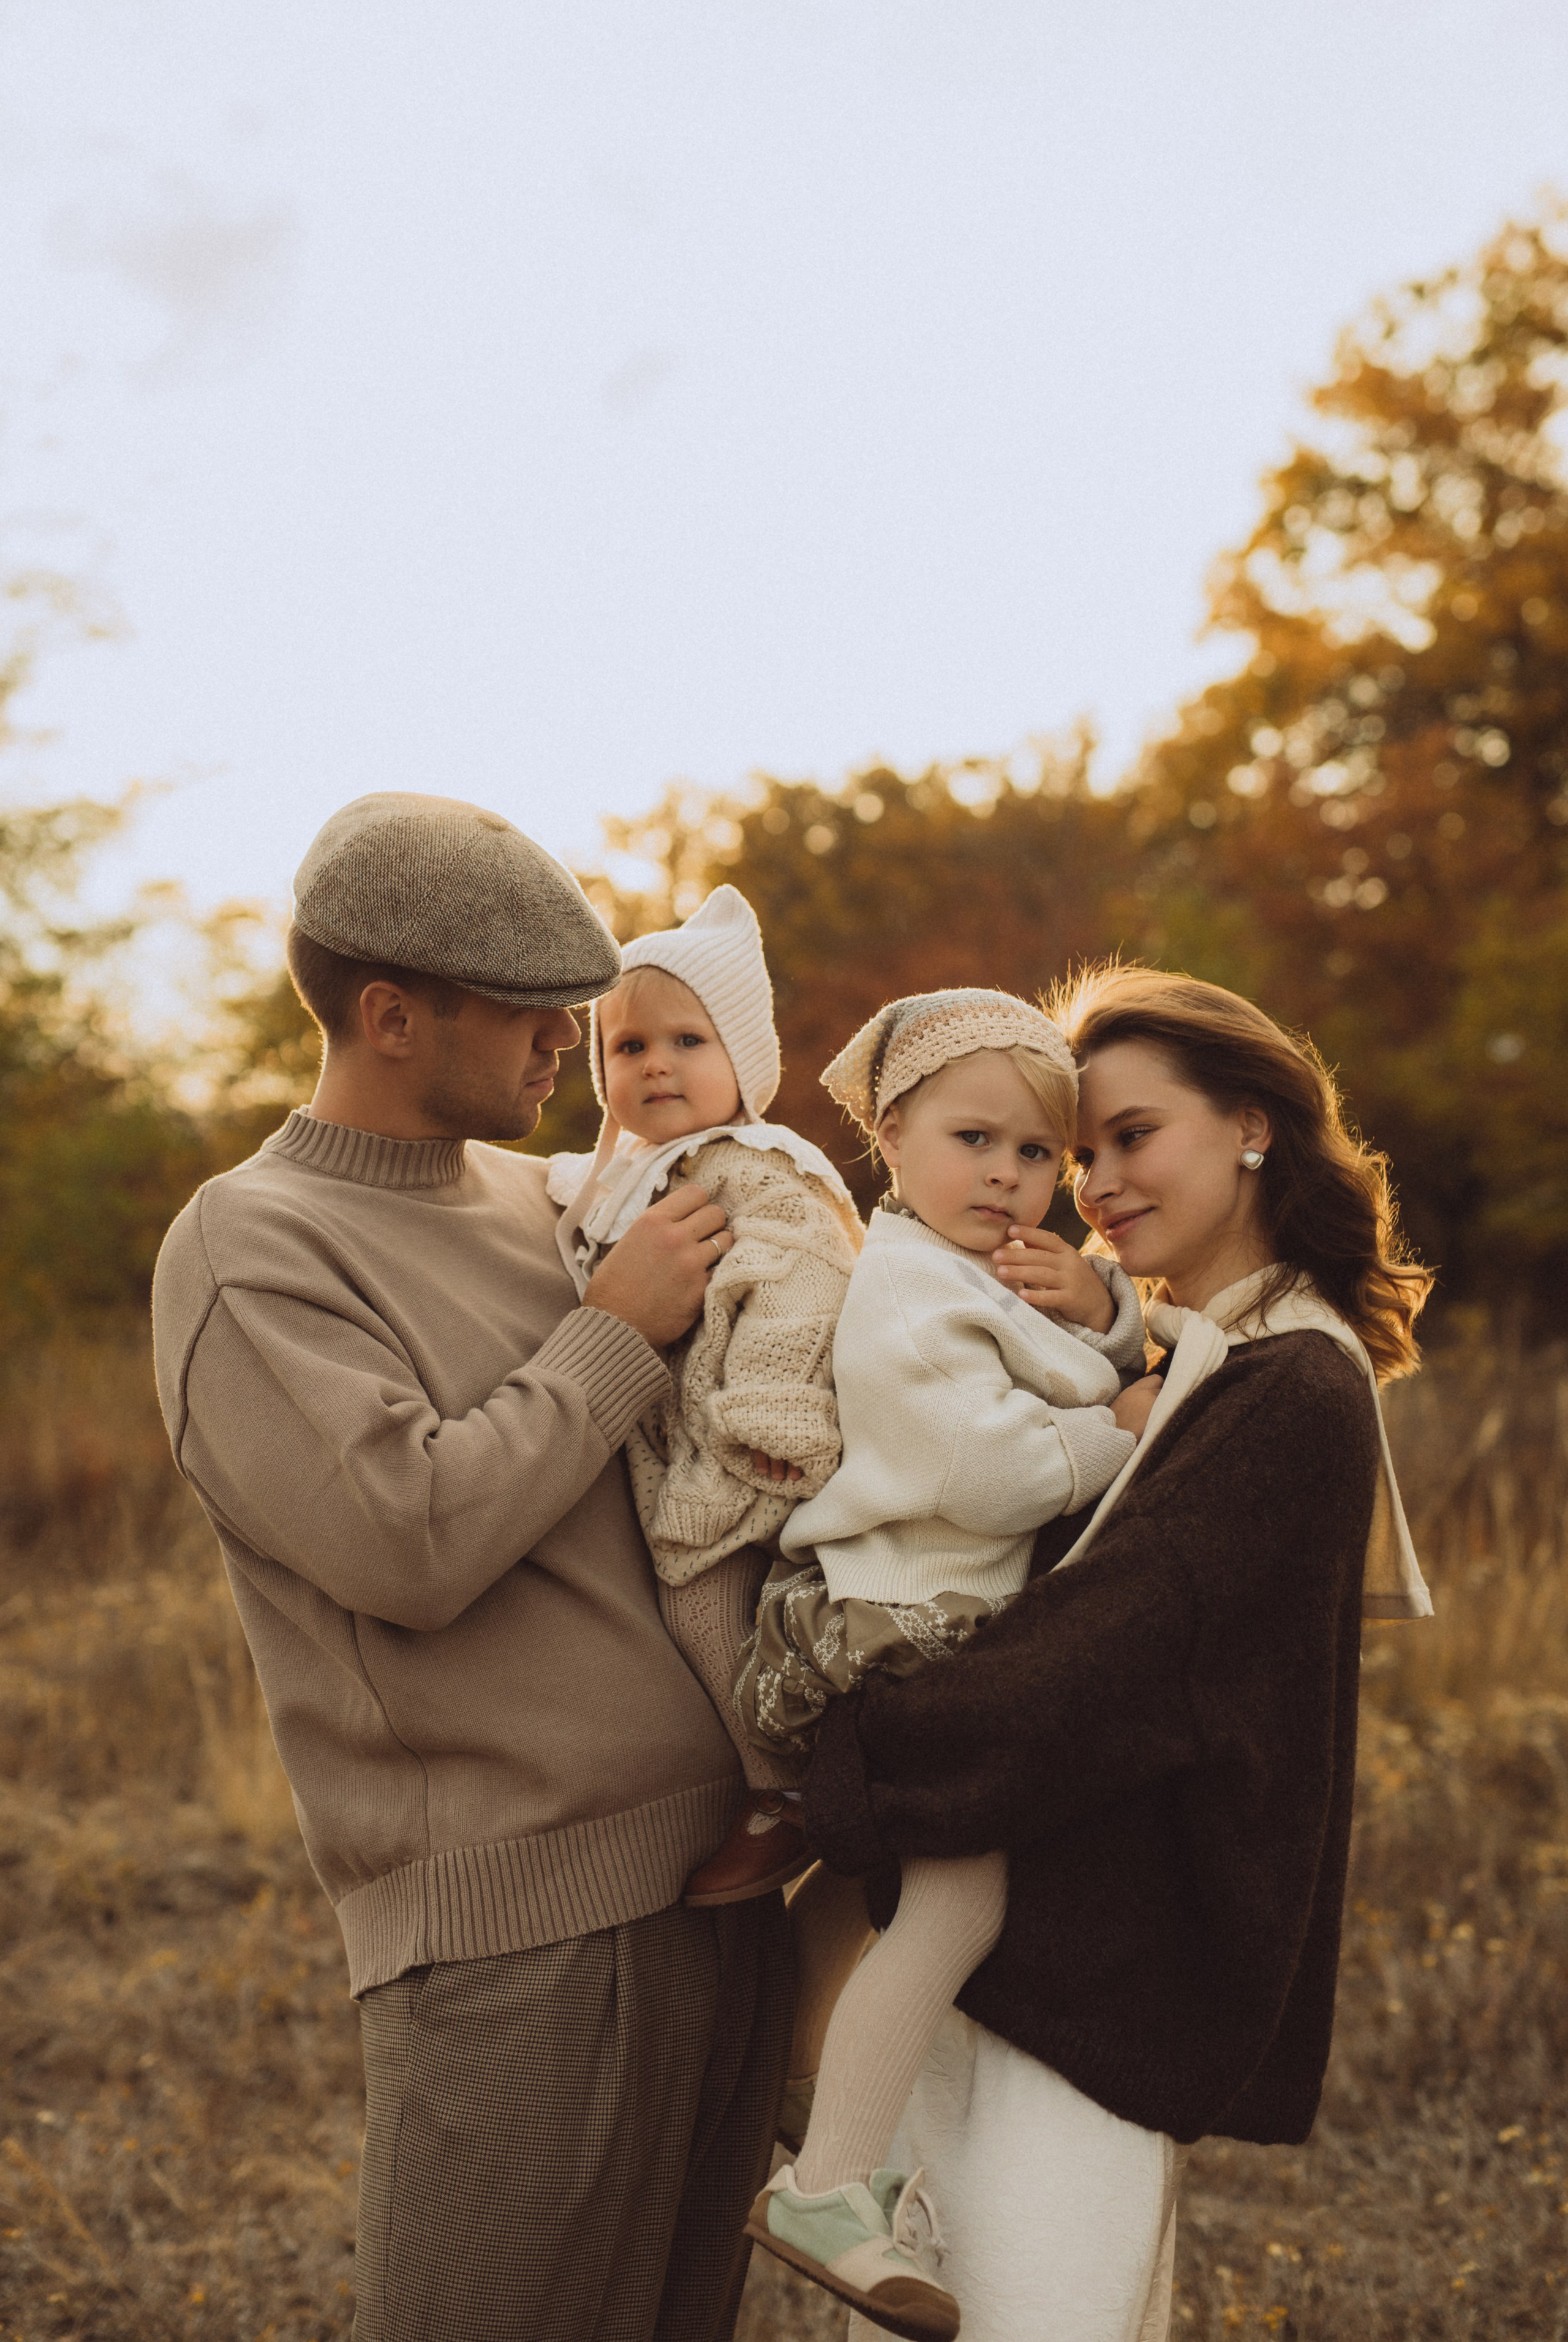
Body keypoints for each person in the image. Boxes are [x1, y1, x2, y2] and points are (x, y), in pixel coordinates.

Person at [150, 793, 790, 2342]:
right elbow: (406, 1541)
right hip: (516, 1939)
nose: (573, 1046)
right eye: (530, 1015)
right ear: (387, 1014)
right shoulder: (252, 1247)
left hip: (729, 1895)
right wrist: (611, 1333)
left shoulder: (554, 1198)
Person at [799, 965, 1433, 2342]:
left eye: (1125, 1136)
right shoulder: (1189, 1354)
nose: (1088, 1183)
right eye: (1072, 1153)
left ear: (1252, 1125)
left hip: (1092, 1987)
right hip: (999, 1943)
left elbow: (1085, 1675)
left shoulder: (1288, 1388)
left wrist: (818, 1771)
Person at [736, 990, 1149, 2338]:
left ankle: (789, 2074)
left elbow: (1058, 1362)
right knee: (958, 1908)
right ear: (891, 1135)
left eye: (1037, 1155)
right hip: (917, 1634)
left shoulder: (967, 1272)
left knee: (867, 1894)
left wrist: (1099, 1311)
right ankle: (829, 2181)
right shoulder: (907, 1286)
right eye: (973, 1140)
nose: (1008, 1176)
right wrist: (1125, 1433)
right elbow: (986, 1467)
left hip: (913, 1626)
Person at [546, 884, 862, 1904]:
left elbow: (805, 1283)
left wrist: (771, 1416)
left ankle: (789, 1797)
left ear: (744, 1062)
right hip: (685, 1436)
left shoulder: (759, 1168)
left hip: (756, 1435)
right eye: (628, 1048)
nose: (656, 1066)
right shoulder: (642, 1170)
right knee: (753, 1608)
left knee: (702, 1597)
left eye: (687, 1040)